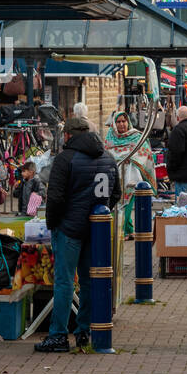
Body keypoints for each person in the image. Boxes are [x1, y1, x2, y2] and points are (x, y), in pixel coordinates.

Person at [36, 117, 120, 353]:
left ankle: (58, 335)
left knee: (64, 282)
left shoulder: (65, 159)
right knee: (89, 282)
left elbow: (55, 198)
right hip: (96, 230)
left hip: (69, 228)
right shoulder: (108, 157)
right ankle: (84, 331)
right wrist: (99, 216)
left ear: (68, 136)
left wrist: (54, 223)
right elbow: (116, 194)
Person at [104, 111, 154, 238]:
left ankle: (123, 232)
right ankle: (129, 230)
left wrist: (131, 158)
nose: (121, 124)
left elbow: (145, 152)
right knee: (118, 204)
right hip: (116, 176)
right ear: (114, 124)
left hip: (131, 175)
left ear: (128, 122)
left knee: (127, 204)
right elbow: (106, 155)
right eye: (118, 122)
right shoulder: (110, 137)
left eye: (123, 121)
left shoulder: (136, 136)